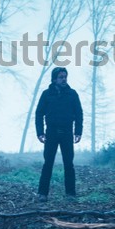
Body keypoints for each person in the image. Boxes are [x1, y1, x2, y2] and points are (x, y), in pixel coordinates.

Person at [35, 67, 83, 202]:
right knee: (48, 163)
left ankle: (71, 194)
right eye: (61, 77)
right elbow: (39, 113)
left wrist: (78, 132)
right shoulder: (46, 94)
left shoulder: (72, 94)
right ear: (54, 79)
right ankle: (42, 193)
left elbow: (79, 113)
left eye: (65, 77)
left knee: (68, 163)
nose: (64, 79)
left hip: (67, 132)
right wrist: (40, 132)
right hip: (51, 132)